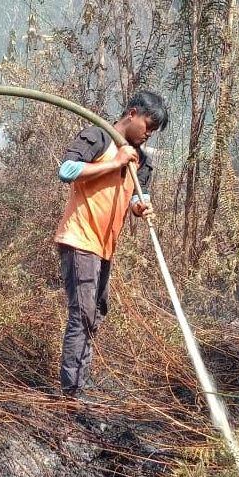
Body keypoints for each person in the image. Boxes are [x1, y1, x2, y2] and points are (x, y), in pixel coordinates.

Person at [53, 90, 168, 400]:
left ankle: (79, 381)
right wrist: (114, 161)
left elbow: (136, 197)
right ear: (132, 113)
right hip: (79, 238)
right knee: (84, 313)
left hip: (105, 248)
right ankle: (72, 393)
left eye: (154, 130)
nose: (148, 133)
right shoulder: (99, 136)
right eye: (148, 125)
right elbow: (66, 171)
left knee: (97, 311)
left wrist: (140, 207)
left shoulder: (140, 160)